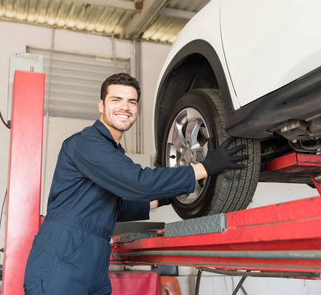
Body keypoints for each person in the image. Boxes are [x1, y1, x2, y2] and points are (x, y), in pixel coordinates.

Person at [23, 73, 247, 294]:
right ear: (101, 105)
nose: (125, 107)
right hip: (62, 255)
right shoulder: (87, 143)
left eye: (132, 102)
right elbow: (138, 183)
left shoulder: (113, 152)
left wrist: (166, 197)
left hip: (93, 259)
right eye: (116, 100)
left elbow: (115, 207)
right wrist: (204, 168)